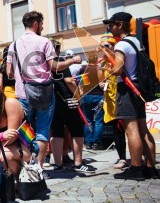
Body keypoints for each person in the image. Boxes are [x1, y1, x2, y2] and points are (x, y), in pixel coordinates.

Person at [7, 11, 82, 168]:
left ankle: (26, 165)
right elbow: (55, 66)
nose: (42, 26)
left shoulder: (13, 45)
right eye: (41, 23)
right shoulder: (44, 41)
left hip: (23, 94)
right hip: (45, 94)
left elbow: (9, 73)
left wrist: (23, 72)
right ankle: (39, 167)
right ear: (35, 23)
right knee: (42, 130)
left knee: (25, 130)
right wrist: (73, 60)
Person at [104, 12, 158, 180]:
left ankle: (135, 169)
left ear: (120, 25)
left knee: (131, 130)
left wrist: (106, 68)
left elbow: (118, 70)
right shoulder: (136, 42)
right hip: (138, 89)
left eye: (112, 25)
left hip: (127, 89)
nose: (110, 28)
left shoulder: (121, 45)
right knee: (143, 129)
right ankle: (150, 167)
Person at [49, 42, 96, 173]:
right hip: (67, 99)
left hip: (53, 101)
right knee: (77, 130)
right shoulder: (60, 61)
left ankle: (58, 164)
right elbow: (69, 81)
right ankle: (78, 162)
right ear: (57, 50)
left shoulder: (45, 64)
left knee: (57, 131)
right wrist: (79, 96)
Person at [98, 32, 127, 169]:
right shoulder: (102, 61)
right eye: (102, 46)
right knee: (116, 130)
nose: (104, 48)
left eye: (107, 45)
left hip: (122, 97)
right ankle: (121, 157)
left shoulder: (118, 58)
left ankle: (136, 157)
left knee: (128, 128)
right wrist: (101, 83)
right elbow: (100, 80)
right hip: (109, 99)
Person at [80, 52, 105, 150]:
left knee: (88, 121)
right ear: (96, 60)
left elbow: (82, 85)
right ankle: (97, 143)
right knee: (98, 121)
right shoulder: (99, 69)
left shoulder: (84, 69)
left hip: (86, 97)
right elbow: (102, 84)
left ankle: (88, 143)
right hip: (98, 96)